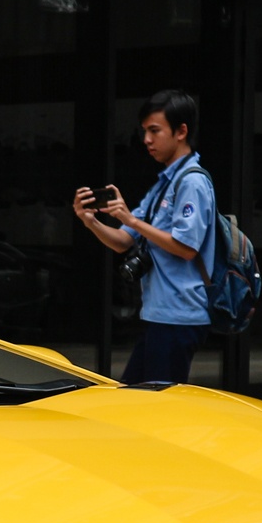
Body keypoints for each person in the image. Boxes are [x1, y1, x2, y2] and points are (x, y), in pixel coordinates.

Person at [72, 90, 215, 384]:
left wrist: (131, 218)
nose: (147, 140)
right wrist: (91, 222)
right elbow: (125, 240)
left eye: (154, 131)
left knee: (157, 410)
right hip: (161, 314)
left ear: (181, 132)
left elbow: (187, 248)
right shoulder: (165, 184)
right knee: (136, 399)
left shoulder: (193, 182)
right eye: (144, 131)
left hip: (178, 315)